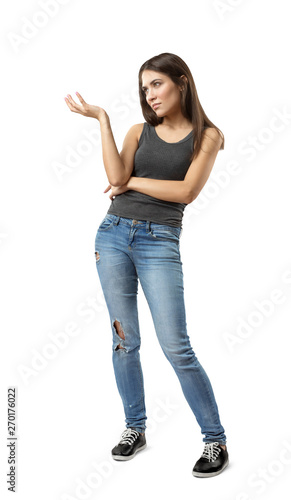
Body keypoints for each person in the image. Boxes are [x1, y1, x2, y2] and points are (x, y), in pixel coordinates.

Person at [64, 52, 229, 478]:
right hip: (113, 234)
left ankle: (215, 440)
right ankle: (134, 428)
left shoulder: (208, 136)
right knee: (124, 341)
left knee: (177, 347)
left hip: (159, 242)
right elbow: (114, 172)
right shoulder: (139, 131)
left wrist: (131, 182)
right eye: (144, 89)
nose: (149, 95)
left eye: (156, 84)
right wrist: (102, 119)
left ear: (182, 83)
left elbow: (187, 191)